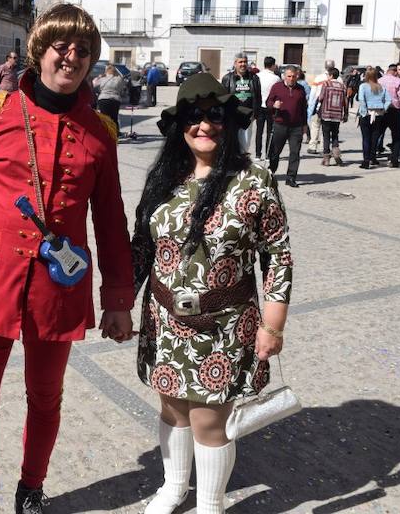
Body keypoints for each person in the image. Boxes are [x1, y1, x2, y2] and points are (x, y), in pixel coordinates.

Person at [0, 3, 135, 514]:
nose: (72, 57)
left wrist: (119, 299)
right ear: (40, 51)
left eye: (84, 51)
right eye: (62, 47)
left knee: (45, 400)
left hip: (57, 290)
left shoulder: (99, 134)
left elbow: (110, 222)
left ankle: (31, 488)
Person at [132, 72, 293, 514]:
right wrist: (117, 304)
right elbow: (141, 249)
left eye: (214, 116)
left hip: (223, 325)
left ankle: (210, 502)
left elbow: (277, 256)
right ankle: (174, 486)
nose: (204, 126)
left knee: (208, 418)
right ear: (179, 124)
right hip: (164, 320)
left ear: (230, 121)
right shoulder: (163, 179)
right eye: (194, 117)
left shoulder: (255, 180)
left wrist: (273, 326)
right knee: (172, 408)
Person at [266, 65, 308, 187]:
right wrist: (274, 105)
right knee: (275, 152)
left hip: (296, 126)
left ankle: (291, 178)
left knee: (295, 152)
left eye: (293, 76)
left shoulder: (300, 89)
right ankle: (271, 174)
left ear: (297, 76)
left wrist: (305, 124)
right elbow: (268, 102)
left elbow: (303, 109)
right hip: (280, 124)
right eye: (289, 76)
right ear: (284, 76)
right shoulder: (277, 87)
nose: (291, 79)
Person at [221, 52, 262, 154]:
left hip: (248, 116)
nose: (243, 64)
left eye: (245, 62)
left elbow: (258, 97)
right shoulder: (227, 78)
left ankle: (242, 165)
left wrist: (255, 113)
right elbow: (222, 98)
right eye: (240, 62)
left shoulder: (254, 78)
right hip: (232, 115)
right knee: (231, 142)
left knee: (245, 144)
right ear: (235, 64)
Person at [378, 64, 400, 167]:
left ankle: (372, 157)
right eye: (399, 69)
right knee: (396, 135)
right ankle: (394, 159)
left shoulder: (380, 80)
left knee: (380, 132)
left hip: (387, 109)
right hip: (396, 109)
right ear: (395, 71)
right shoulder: (399, 82)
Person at [357, 69, 390, 169]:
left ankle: (366, 160)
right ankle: (373, 157)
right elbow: (389, 99)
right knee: (374, 138)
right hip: (379, 114)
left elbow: (361, 99)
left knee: (366, 138)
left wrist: (363, 111)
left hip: (367, 113)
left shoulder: (363, 86)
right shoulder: (381, 87)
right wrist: (384, 109)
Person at [315, 67, 349, 166]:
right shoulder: (342, 86)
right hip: (337, 114)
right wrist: (345, 114)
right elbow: (345, 101)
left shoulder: (326, 84)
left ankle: (326, 158)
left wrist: (318, 100)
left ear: (330, 75)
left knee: (326, 136)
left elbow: (321, 98)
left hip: (326, 113)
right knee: (335, 135)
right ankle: (336, 153)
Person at [306, 59, 337, 154]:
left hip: (319, 106)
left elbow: (313, 94)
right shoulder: (338, 79)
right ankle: (323, 147)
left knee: (315, 126)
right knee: (326, 128)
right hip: (332, 108)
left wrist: (310, 107)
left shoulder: (319, 78)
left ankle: (312, 146)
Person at [256, 57, 280, 160]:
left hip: (259, 106)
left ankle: (257, 154)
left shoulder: (257, 76)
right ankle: (268, 154)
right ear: (273, 65)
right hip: (271, 107)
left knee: (259, 131)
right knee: (270, 131)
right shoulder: (276, 78)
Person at [93, 64, 128, 133]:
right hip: (115, 99)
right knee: (114, 118)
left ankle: (105, 133)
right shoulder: (119, 79)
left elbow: (94, 84)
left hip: (103, 99)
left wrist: (99, 77)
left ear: (106, 71)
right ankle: (115, 134)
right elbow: (123, 87)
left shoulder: (102, 79)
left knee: (105, 118)